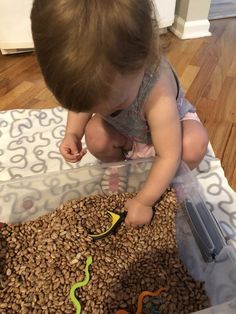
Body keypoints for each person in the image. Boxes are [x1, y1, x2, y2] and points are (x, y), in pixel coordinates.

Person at [31, 0, 209, 227]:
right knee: (95, 134)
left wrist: (144, 202)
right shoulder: (116, 83)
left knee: (194, 143)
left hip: (169, 135)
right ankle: (117, 166)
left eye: (113, 106)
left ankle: (176, 179)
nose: (102, 113)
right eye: (92, 108)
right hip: (129, 134)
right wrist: (73, 134)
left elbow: (169, 154)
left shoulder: (158, 93)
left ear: (142, 61)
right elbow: (83, 108)